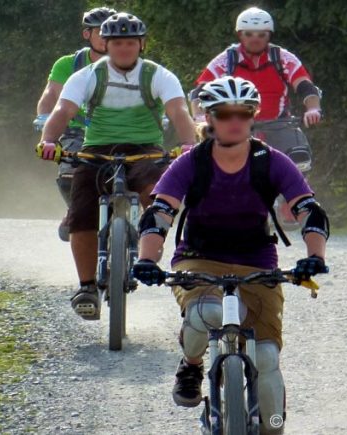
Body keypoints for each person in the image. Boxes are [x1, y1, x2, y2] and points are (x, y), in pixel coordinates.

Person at [132, 77, 330, 434]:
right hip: (199, 256)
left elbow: (309, 210)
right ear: (209, 117)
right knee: (207, 311)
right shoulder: (191, 162)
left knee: (267, 358)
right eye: (224, 114)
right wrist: (147, 259)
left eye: (243, 113)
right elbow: (160, 213)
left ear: (253, 116)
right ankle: (192, 363)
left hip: (258, 262)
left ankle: (271, 425)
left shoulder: (271, 161)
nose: (234, 121)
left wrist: (313, 255)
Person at [38, 13, 197, 320]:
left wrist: (188, 143)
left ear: (142, 44)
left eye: (130, 43)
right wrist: (48, 140)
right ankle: (86, 287)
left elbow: (178, 111)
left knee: (158, 193)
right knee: (81, 213)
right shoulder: (87, 75)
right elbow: (63, 109)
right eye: (117, 43)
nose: (124, 49)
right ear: (106, 45)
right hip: (97, 149)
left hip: (145, 150)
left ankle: (149, 246)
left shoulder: (158, 75)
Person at [189, 7, 325, 225]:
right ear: (239, 35)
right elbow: (200, 91)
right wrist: (198, 116)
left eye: (261, 34)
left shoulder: (282, 58)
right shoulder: (227, 59)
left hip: (279, 122)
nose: (255, 39)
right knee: (213, 157)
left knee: (300, 155)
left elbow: (306, 87)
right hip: (237, 120)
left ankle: (291, 199)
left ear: (269, 35)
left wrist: (313, 109)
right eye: (249, 34)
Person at [33, 6, 116, 242]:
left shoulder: (129, 64)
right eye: (100, 31)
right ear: (86, 34)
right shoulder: (68, 64)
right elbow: (51, 94)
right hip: (77, 130)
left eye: (110, 31)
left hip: (120, 130)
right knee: (69, 174)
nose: (105, 37)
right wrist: (44, 117)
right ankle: (76, 208)